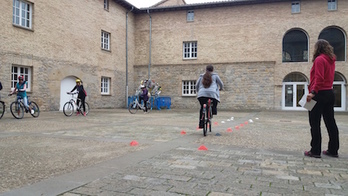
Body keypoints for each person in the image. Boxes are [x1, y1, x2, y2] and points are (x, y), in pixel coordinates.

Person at [304, 39, 339, 158]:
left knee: (314, 122)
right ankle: (333, 150)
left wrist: (313, 92)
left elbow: (319, 78)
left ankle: (315, 151)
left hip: (318, 93)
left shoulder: (319, 59)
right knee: (330, 122)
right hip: (329, 92)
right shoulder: (331, 60)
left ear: (317, 48)